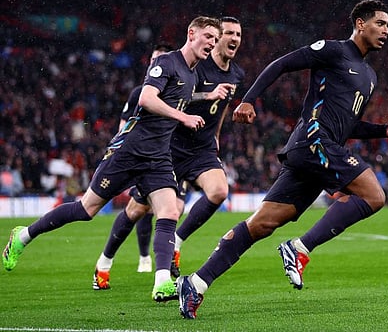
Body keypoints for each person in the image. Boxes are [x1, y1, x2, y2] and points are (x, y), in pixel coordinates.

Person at [176, 0, 388, 319]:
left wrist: (384, 130)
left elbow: (349, 125)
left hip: (319, 151)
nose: (386, 30)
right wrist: (248, 100)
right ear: (360, 24)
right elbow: (282, 64)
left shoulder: (369, 76)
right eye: (380, 23)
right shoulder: (333, 50)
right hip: (314, 141)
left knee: (262, 224)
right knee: (374, 194)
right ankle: (299, 249)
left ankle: (196, 282)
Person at [2, 16, 222, 303]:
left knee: (169, 212)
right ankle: (23, 236)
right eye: (208, 36)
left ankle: (162, 282)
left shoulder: (193, 75)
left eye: (215, 40)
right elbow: (146, 98)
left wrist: (207, 96)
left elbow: (181, 98)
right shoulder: (167, 62)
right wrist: (183, 117)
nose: (212, 43)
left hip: (157, 157)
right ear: (191, 33)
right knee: (86, 209)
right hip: (129, 151)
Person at [92, 17, 245, 294]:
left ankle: (175, 244)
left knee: (219, 191)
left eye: (238, 34)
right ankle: (105, 261)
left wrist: (217, 135)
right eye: (227, 34)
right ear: (216, 37)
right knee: (137, 210)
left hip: (201, 149)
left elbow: (221, 109)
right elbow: (172, 92)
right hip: (171, 147)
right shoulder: (199, 62)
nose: (233, 39)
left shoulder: (236, 75)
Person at [118, 42, 173, 274]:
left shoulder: (179, 91)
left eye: (160, 59)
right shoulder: (139, 93)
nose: (155, 63)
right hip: (142, 157)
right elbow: (123, 125)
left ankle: (158, 261)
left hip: (168, 158)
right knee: (140, 209)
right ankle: (142, 257)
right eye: (153, 59)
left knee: (161, 210)